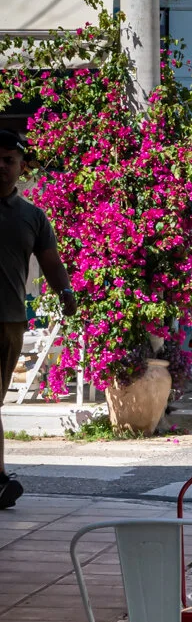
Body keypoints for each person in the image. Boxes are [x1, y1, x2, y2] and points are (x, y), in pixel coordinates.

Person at [0, 130, 76, 508]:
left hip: (9, 321)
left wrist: (66, 292)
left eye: (8, 160)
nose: (0, 166)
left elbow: (51, 262)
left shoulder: (33, 216)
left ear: (20, 166)